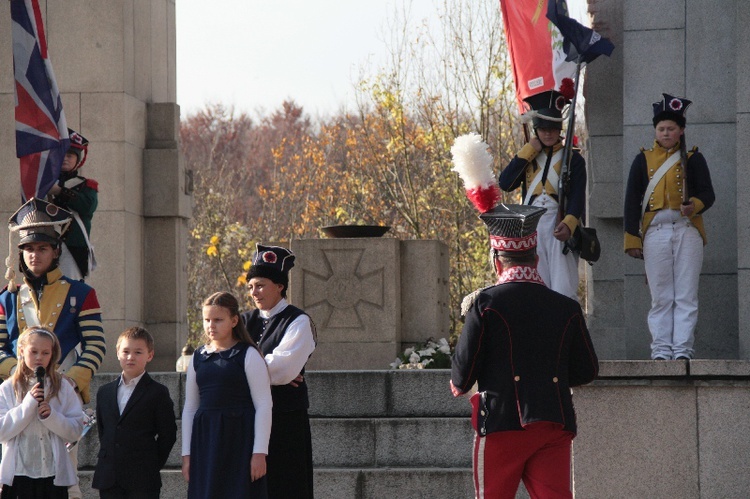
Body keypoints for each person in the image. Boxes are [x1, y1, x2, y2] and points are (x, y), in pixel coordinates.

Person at [450, 203, 599, 499]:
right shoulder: (566, 307)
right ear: (536, 257)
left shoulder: (485, 304)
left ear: (497, 260)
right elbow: (586, 371)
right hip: (553, 422)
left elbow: (462, 378)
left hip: (501, 422)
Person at [0, 198, 106, 499]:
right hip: (18, 394)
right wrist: (19, 378)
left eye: (42, 248)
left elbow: (96, 344)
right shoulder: (7, 298)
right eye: (29, 249)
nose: (35, 255)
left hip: (62, 394)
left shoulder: (81, 293)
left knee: (65, 483)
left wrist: (70, 382)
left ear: (56, 251)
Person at [624, 94, 715, 360]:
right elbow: (632, 200)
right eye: (662, 128)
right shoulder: (643, 160)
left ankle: (682, 350)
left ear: (681, 131)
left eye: (671, 128)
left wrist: (694, 205)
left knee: (686, 294)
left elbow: (708, 194)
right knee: (661, 296)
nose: (666, 133)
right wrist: (632, 239)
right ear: (655, 130)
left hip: (687, 228)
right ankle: (661, 350)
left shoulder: (693, 158)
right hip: (655, 231)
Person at [241, 244, 317, 499]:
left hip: (285, 423)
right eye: (251, 286)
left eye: (260, 285)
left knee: (286, 488)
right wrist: (264, 368)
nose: (254, 292)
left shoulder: (298, 321)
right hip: (246, 419)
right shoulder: (241, 321)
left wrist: (244, 367)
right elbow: (223, 361)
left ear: (279, 286)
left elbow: (283, 369)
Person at [182, 292, 272, 498]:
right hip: (206, 440)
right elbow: (190, 408)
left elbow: (264, 404)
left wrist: (259, 452)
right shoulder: (198, 357)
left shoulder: (248, 354)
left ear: (234, 321)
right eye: (206, 320)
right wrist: (187, 454)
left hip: (239, 439)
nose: (211, 325)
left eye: (218, 320)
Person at [499, 87, 586, 300]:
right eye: (543, 128)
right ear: (536, 129)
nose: (548, 133)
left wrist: (568, 224)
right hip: (532, 226)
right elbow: (506, 182)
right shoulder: (528, 156)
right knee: (537, 287)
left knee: (563, 288)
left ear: (560, 130)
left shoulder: (573, 159)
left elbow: (577, 197)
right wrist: (529, 150)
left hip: (559, 224)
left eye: (553, 129)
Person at [93, 327, 177, 499]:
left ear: (150, 355)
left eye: (138, 352)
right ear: (117, 353)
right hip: (109, 477)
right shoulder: (104, 392)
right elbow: (105, 431)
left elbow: (168, 434)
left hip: (142, 478)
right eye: (126, 351)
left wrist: (151, 465)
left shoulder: (157, 392)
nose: (131, 357)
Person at [0, 327, 84, 498]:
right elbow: (2, 431)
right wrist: (28, 404)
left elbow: (75, 430)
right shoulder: (8, 387)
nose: (39, 357)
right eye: (34, 351)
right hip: (19, 473)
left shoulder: (62, 387)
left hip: (53, 474)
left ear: (52, 355)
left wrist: (52, 416)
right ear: (22, 351)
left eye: (45, 353)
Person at [48, 128, 98, 281]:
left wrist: (60, 192)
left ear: (78, 159)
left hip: (72, 248)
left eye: (70, 155)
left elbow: (87, 206)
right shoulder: (43, 183)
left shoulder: (86, 186)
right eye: (62, 154)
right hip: (46, 244)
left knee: (70, 290)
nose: (65, 158)